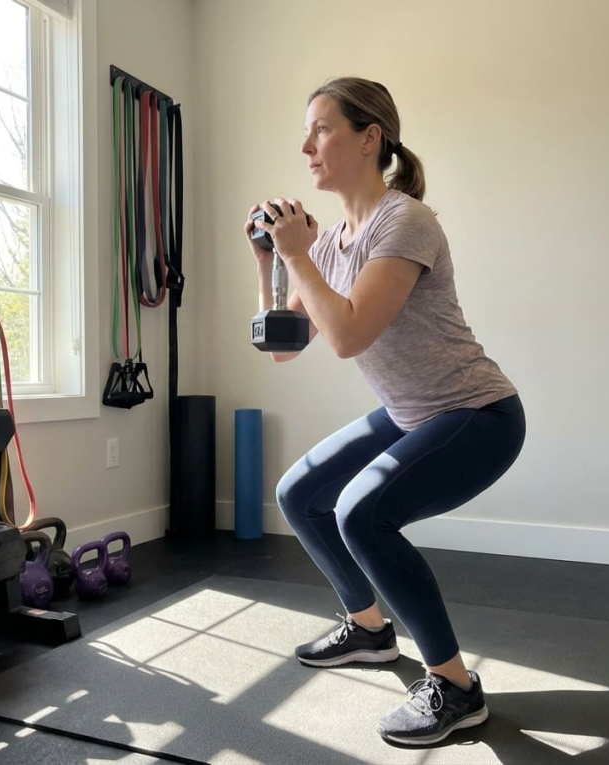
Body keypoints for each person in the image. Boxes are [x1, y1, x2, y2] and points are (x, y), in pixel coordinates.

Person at [243, 76, 526, 747]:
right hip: (410, 412)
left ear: (370, 137)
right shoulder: (331, 243)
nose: (306, 146)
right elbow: (282, 347)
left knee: (361, 512)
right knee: (300, 493)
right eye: (306, 133)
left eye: (321, 130)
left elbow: (348, 336)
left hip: (477, 412)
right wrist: (270, 262)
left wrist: (296, 253)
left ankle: (455, 685)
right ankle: (369, 630)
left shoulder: (405, 221)